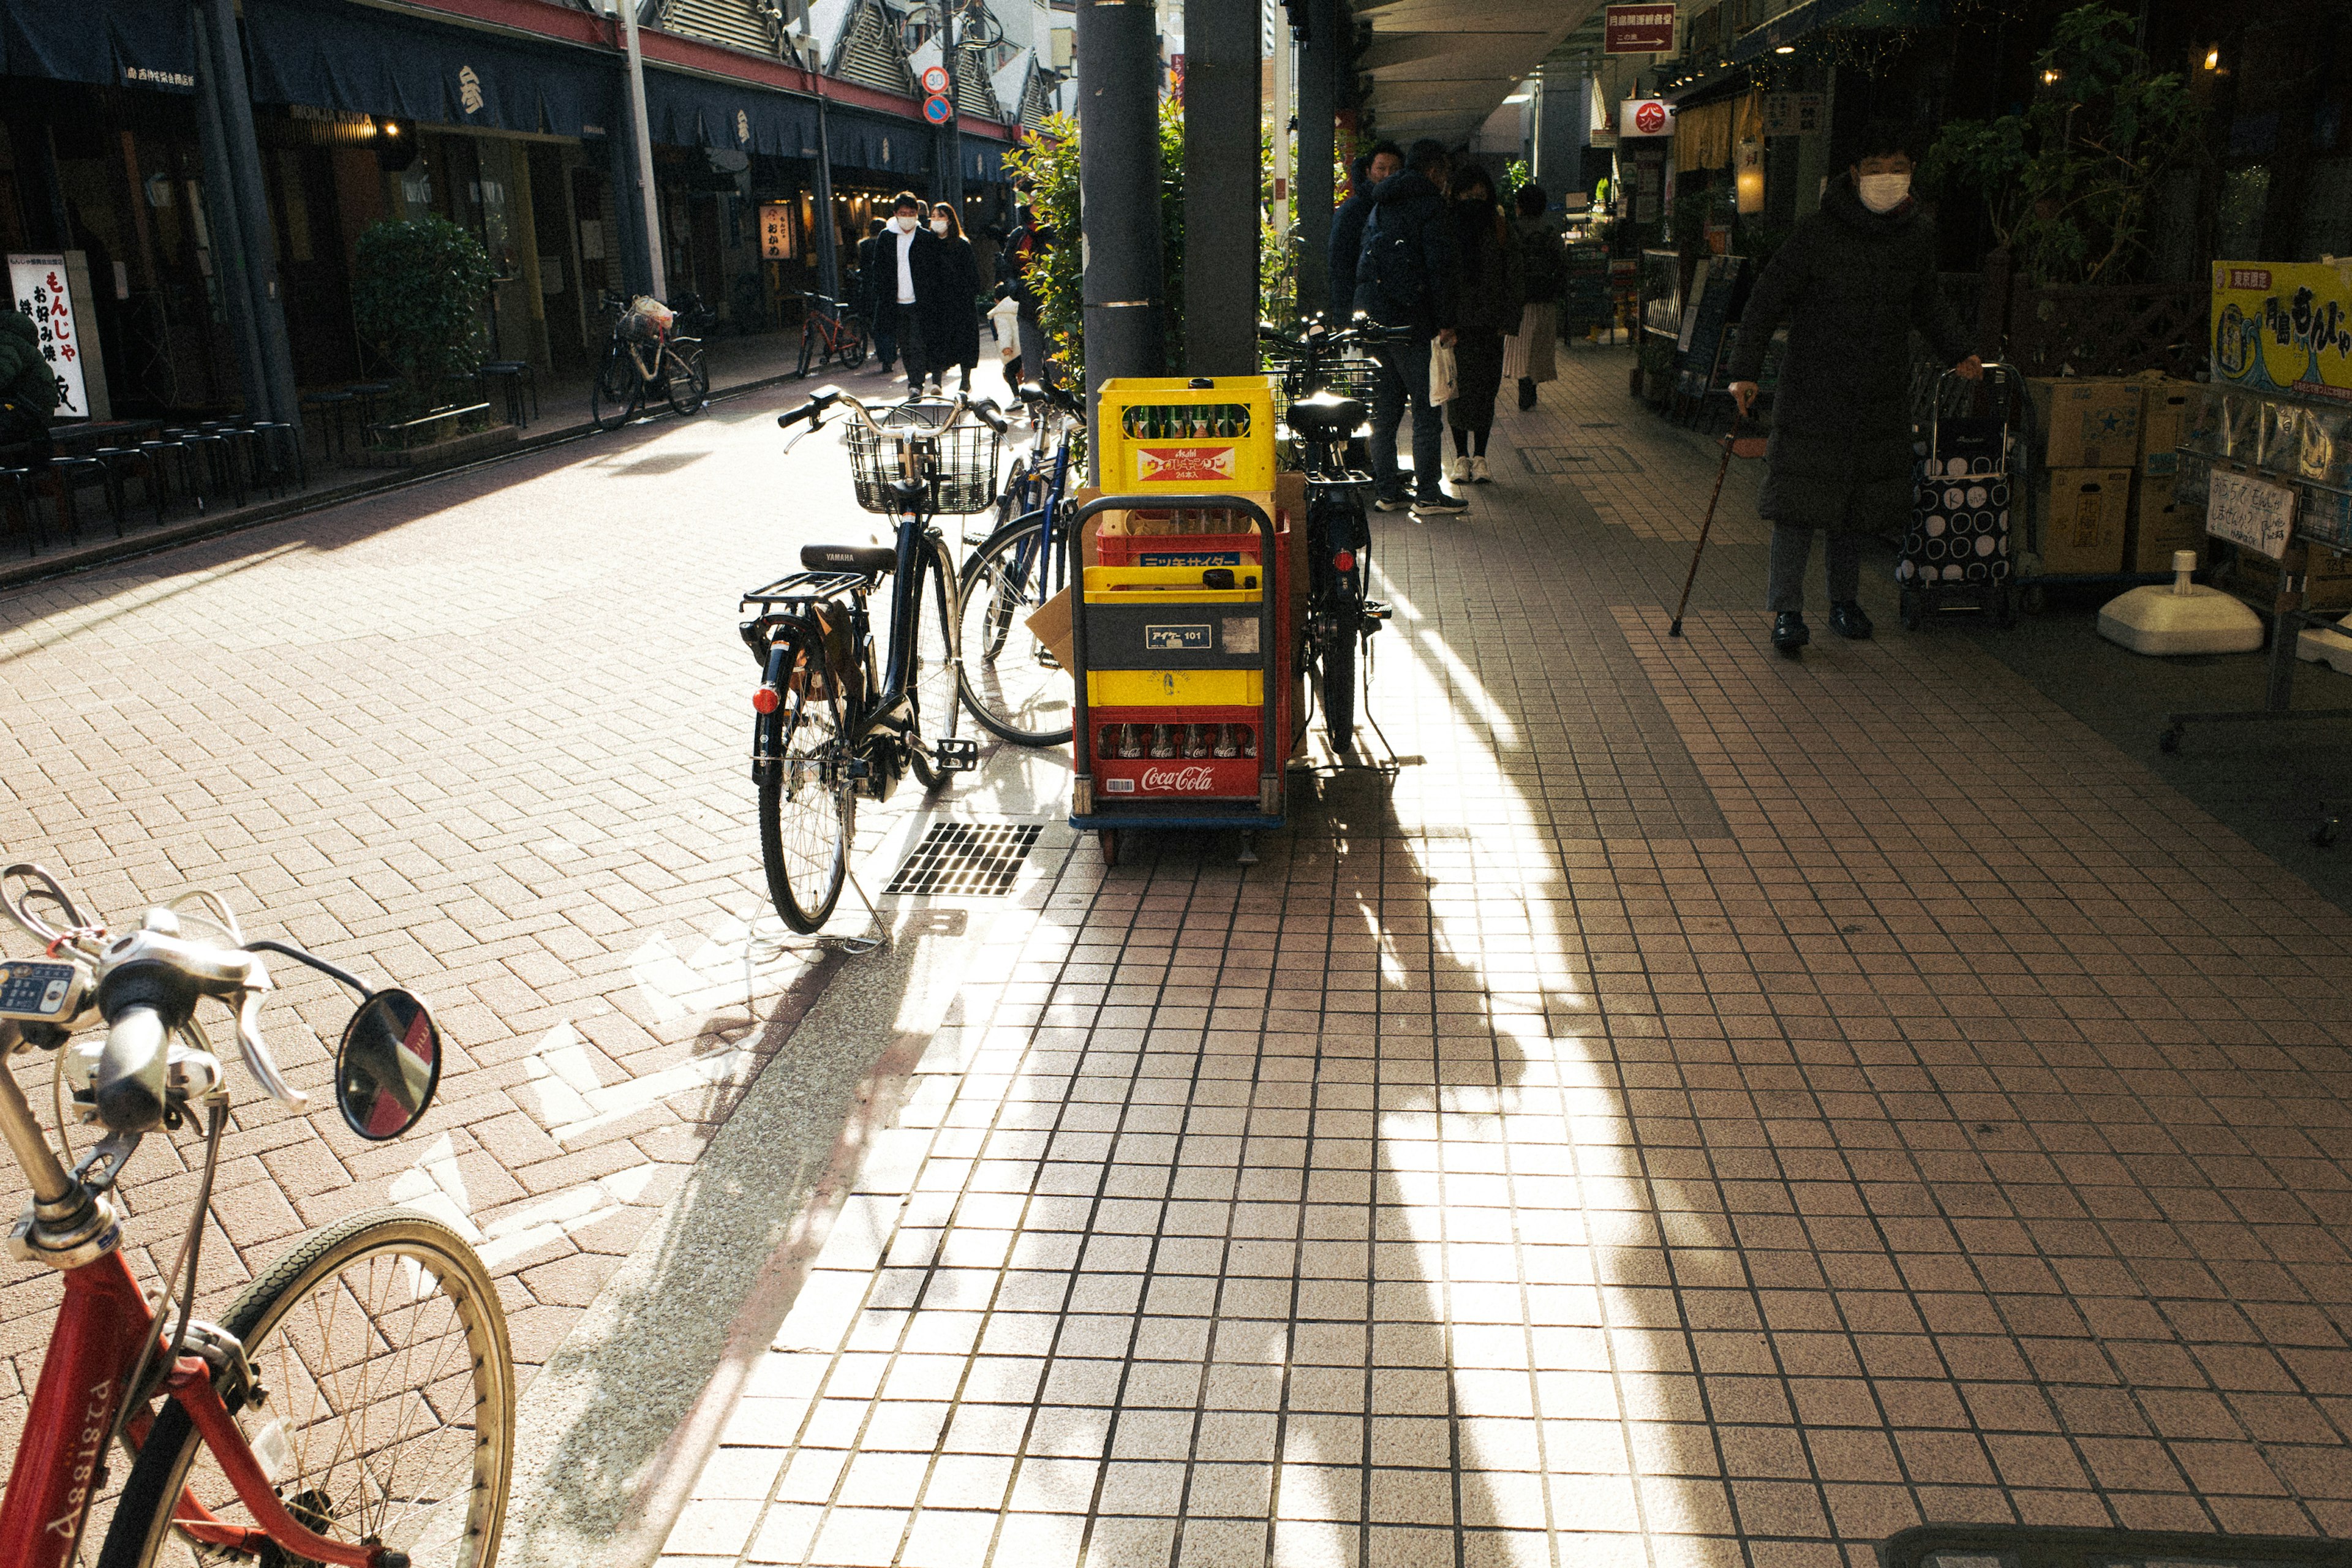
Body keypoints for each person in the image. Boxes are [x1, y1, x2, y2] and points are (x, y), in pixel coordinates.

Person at [1727, 120, 1981, 658]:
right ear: (1853, 174)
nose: (1887, 179)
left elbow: (1929, 301)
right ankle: (1787, 610)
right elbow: (1766, 300)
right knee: (1798, 505)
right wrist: (1743, 370)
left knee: (1855, 507)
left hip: (1878, 391)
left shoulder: (1916, 236)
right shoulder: (1817, 233)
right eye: (1875, 169)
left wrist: (1959, 349)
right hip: (1813, 391)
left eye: (1898, 168)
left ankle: (1845, 602)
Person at [1352, 138, 1466, 516]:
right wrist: (1447, 321)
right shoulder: (1431, 205)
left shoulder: (1382, 203)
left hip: (1378, 324)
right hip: (1414, 325)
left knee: (1384, 415)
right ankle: (1429, 494)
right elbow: (1440, 268)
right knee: (1426, 412)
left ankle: (1388, 491)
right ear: (1434, 171)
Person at [1442, 164, 1520, 486]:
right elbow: (1441, 278)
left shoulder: (1501, 228)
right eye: (1467, 194)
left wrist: (1509, 320)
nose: (1474, 200)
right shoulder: (1446, 229)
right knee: (1455, 391)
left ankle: (1481, 457)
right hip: (1455, 327)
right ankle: (1461, 457)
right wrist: (1443, 322)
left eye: (1480, 194)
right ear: (1456, 196)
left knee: (1486, 391)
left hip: (1490, 325)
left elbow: (1515, 275)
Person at [877, 191, 949, 396]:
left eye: (911, 212)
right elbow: (879, 270)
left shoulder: (926, 238)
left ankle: (921, 383)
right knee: (906, 345)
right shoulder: (886, 237)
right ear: (895, 213)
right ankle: (914, 382)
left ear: (917, 214)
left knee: (920, 342)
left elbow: (937, 269)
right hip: (897, 301)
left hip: (921, 301)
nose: (907, 216)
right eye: (903, 212)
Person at [1502, 183, 1567, 411]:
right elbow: (1562, 265)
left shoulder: (1512, 230)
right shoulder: (1550, 232)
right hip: (1546, 299)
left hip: (1520, 300)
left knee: (1520, 348)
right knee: (1539, 347)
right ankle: (1532, 390)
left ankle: (1525, 391)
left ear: (1519, 206)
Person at [1329, 141, 1400, 320]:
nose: (1388, 175)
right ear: (1368, 171)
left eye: (1394, 169)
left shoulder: (1405, 208)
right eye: (1381, 168)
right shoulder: (1352, 211)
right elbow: (1340, 266)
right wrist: (1343, 316)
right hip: (1361, 310)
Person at [926, 202, 984, 394]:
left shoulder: (961, 244)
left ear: (950, 220)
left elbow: (973, 276)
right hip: (936, 302)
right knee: (936, 339)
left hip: (960, 302)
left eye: (940, 216)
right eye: (933, 216)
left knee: (963, 341)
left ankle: (965, 381)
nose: (936, 220)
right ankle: (936, 382)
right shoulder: (927, 243)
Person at [0, 309, 58, 462]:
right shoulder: (21, 345)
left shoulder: (7, 342)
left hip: (22, 421)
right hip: (34, 419)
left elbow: (3, 374)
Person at [853, 217, 895, 375]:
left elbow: (860, 266)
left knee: (877, 327)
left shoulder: (862, 245)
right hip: (885, 290)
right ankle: (889, 358)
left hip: (868, 290)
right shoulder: (888, 243)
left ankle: (882, 355)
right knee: (888, 325)